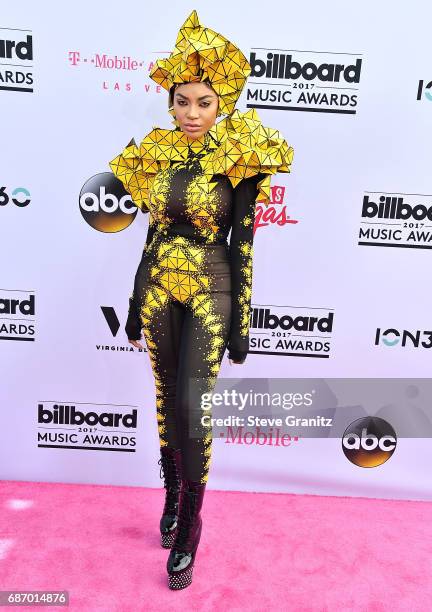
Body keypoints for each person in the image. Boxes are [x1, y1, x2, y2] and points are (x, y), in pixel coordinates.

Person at [109, 9, 293, 590]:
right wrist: (136, 297)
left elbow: (244, 243)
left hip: (212, 285)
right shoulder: (156, 154)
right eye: (181, 100)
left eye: (203, 102)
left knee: (195, 410)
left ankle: (190, 531)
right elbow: (151, 233)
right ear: (170, 101)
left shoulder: (242, 155)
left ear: (224, 102)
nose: (190, 113)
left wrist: (241, 319)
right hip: (161, 285)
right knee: (167, 400)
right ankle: (170, 502)